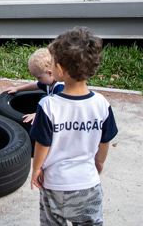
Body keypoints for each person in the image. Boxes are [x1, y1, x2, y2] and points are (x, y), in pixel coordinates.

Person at [29, 27, 118, 226]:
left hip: (55, 185)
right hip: (88, 184)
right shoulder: (102, 104)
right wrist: (100, 162)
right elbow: (105, 141)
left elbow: (42, 144)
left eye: (52, 62)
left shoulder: (48, 105)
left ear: (60, 69)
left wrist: (36, 169)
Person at [4, 47, 65, 124]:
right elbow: (36, 85)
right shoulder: (49, 82)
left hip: (65, 120)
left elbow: (58, 108)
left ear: (50, 73)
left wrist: (38, 115)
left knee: (45, 100)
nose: (38, 80)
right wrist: (17, 89)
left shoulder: (60, 87)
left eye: (39, 77)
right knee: (44, 99)